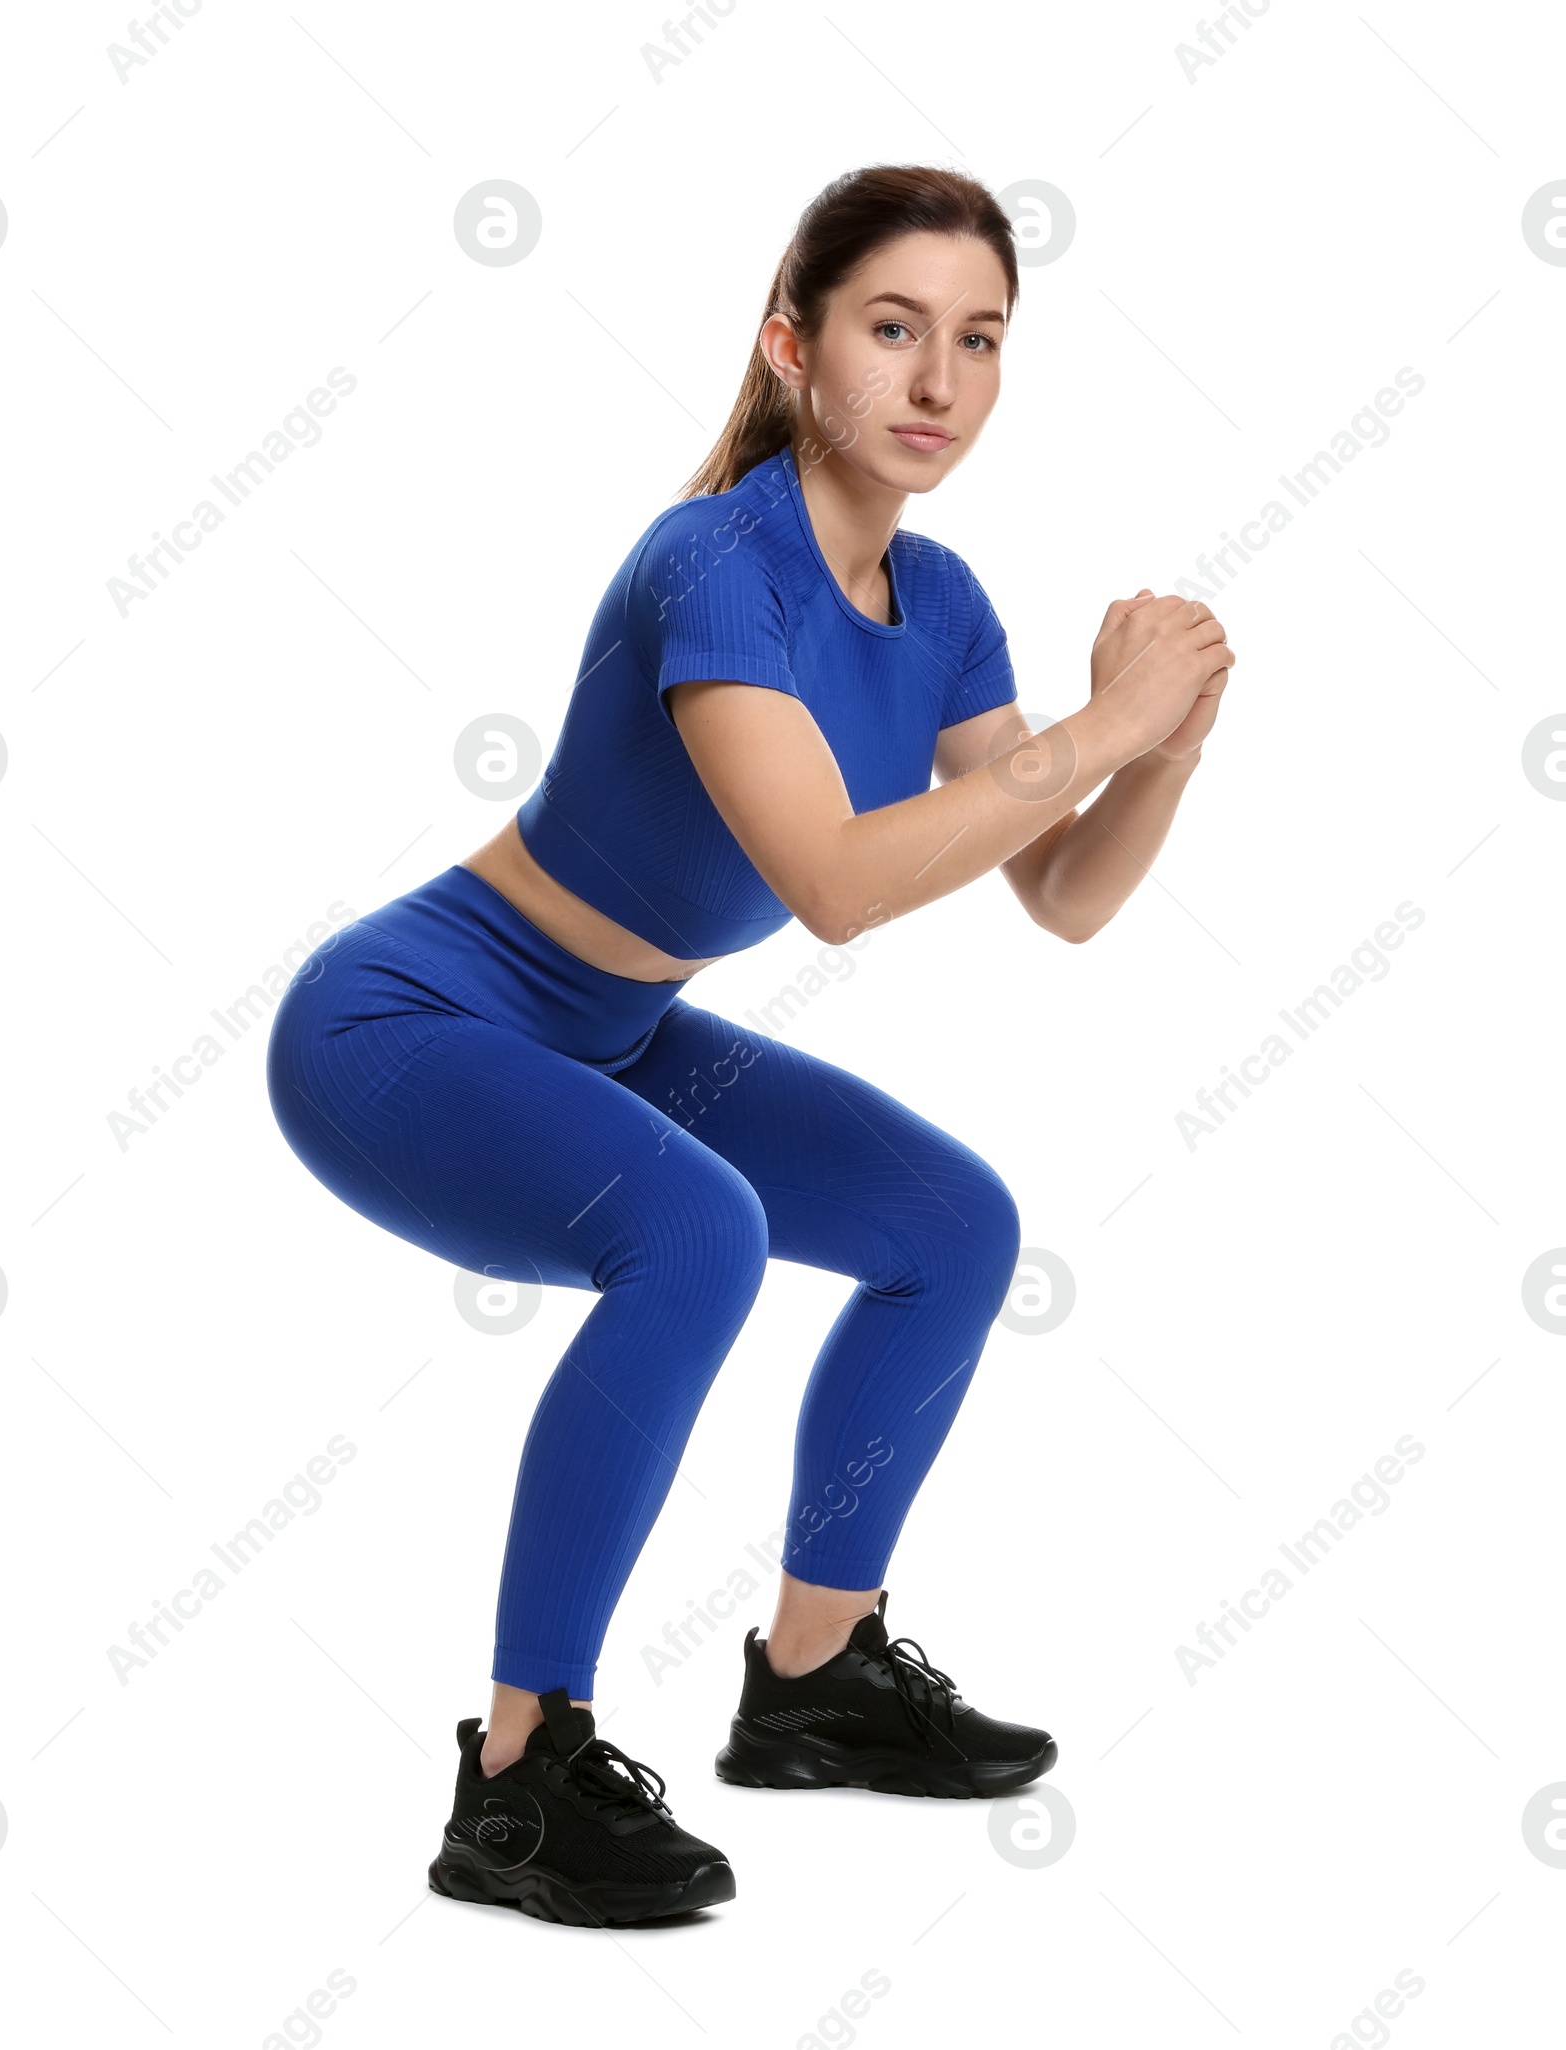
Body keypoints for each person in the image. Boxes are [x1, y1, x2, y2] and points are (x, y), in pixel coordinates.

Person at [265, 162, 1234, 1928]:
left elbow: (1065, 894)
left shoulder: (937, 603)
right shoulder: (714, 560)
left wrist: (1160, 744)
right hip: (409, 1019)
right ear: (792, 348)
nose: (938, 381)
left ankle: (818, 1673)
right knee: (693, 1230)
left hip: (616, 1034)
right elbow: (837, 884)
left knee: (953, 1228)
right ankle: (517, 1777)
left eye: (980, 340)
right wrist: (1105, 720)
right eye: (892, 329)